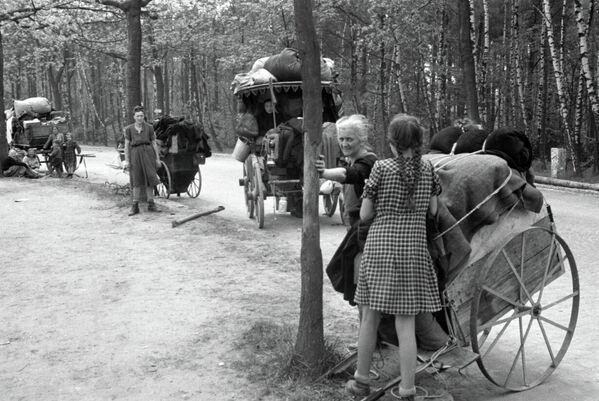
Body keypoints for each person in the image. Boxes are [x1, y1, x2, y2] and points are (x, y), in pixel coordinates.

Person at [346, 114, 442, 400]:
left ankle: (361, 382)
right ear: (418, 142)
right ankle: (408, 390)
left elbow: (364, 214)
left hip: (380, 250)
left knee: (370, 317)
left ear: (391, 143)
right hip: (413, 251)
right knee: (406, 323)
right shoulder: (428, 170)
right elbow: (434, 211)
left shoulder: (380, 169)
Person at [315, 114, 377, 227]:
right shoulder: (350, 160)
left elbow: (350, 173)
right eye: (341, 139)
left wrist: (324, 172)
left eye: (349, 139)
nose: (344, 144)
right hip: (352, 221)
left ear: (362, 140)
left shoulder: (369, 161)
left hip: (365, 224)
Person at [123, 105, 161, 216]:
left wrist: (157, 159)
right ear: (134, 117)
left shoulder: (149, 128)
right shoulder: (129, 129)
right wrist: (127, 161)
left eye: (142, 116)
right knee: (136, 179)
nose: (140, 118)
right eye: (138, 116)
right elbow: (126, 145)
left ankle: (151, 204)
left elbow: (154, 143)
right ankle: (135, 206)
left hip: (148, 154)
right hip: (135, 154)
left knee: (150, 178)